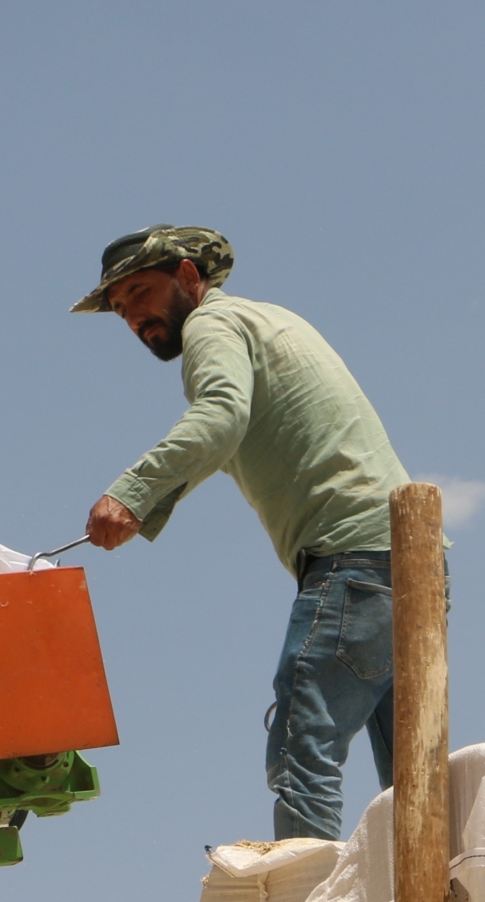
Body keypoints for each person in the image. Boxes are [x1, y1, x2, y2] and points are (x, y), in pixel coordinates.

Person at [73, 225, 416, 841]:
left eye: (141, 293)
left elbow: (220, 415)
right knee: (415, 774)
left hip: (354, 559)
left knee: (302, 739)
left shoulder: (212, 326)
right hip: (407, 559)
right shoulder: (266, 320)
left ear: (186, 276)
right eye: (120, 308)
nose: (132, 317)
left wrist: (131, 492)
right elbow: (228, 427)